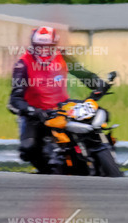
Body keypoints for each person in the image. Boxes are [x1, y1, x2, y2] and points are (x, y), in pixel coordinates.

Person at [7, 26, 111, 174]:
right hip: (36, 113)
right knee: (28, 148)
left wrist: (98, 84)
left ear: (54, 46)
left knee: (98, 113)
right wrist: (32, 111)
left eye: (47, 47)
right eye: (39, 47)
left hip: (63, 107)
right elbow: (14, 100)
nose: (43, 51)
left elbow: (83, 74)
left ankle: (102, 151)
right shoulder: (22, 64)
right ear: (33, 46)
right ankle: (46, 172)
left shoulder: (63, 57)